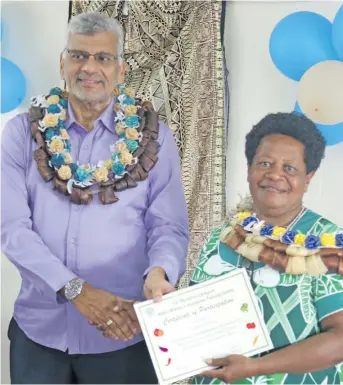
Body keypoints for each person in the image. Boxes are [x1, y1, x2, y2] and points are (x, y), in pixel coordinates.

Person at [1, 12, 189, 384]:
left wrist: (159, 273)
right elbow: (11, 228)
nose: (89, 68)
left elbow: (167, 226)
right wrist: (75, 290)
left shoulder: (155, 138)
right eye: (78, 56)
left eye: (102, 58)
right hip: (40, 332)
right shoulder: (23, 133)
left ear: (120, 69)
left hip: (123, 333)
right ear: (62, 63)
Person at [190, 112, 343, 385]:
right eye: (264, 163)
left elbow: (340, 340)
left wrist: (254, 367)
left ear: (308, 178)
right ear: (249, 169)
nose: (275, 175)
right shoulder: (223, 237)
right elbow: (191, 317)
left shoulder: (329, 243)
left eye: (289, 168)